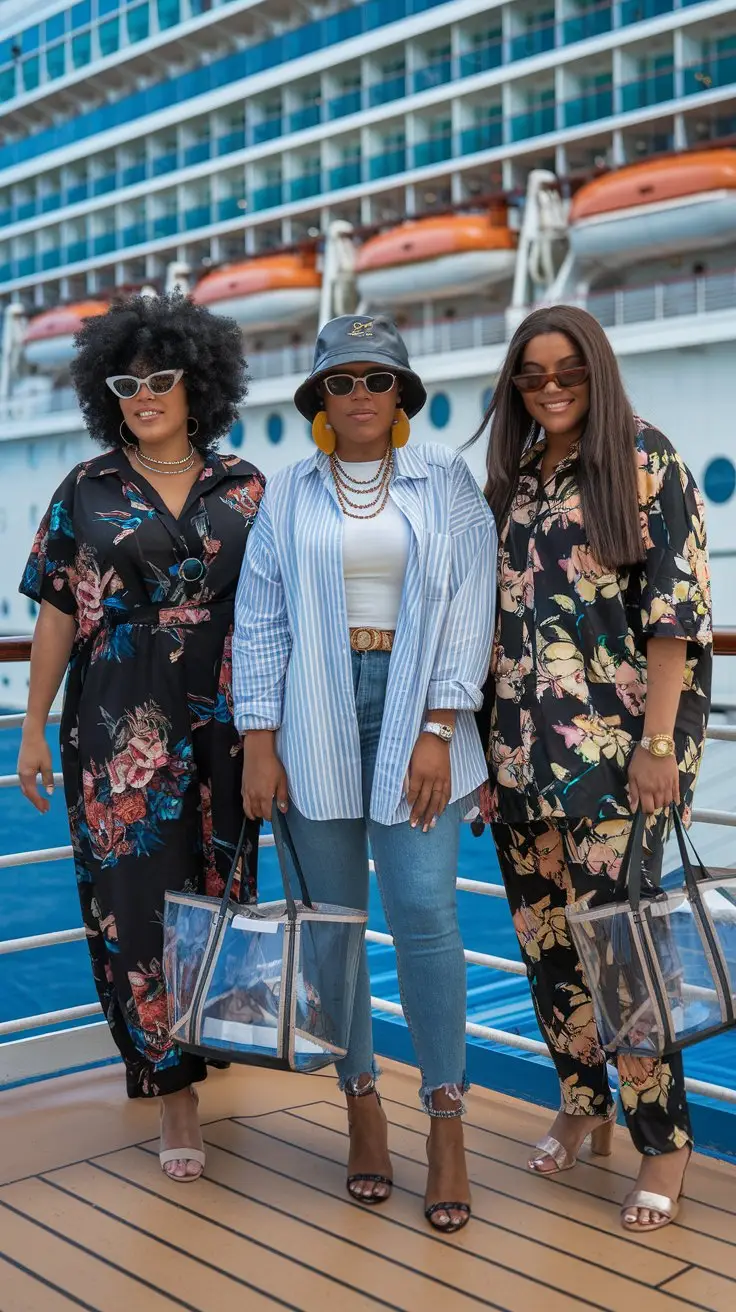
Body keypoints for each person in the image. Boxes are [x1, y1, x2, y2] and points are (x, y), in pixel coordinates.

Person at [233, 313, 496, 1234]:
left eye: (377, 379)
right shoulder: (290, 492)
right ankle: (361, 1106)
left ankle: (447, 1121)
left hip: (419, 703)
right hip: (313, 707)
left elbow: (470, 607)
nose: (359, 395)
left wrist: (440, 725)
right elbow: (260, 620)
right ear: (319, 397)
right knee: (334, 927)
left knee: (426, 914)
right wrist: (258, 738)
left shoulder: (445, 478)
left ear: (401, 394)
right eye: (340, 381)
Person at [17, 293, 264, 1183]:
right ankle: (172, 1093)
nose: (145, 395)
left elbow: (276, 613)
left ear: (199, 382)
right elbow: (57, 613)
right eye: (126, 384)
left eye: (161, 378)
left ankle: (210, 1040)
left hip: (229, 724)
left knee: (220, 887)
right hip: (121, 724)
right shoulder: (84, 489)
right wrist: (33, 727)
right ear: (106, 395)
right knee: (138, 899)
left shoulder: (247, 486)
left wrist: (276, 736)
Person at [476, 304, 711, 1232]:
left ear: (596, 370)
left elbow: (674, 615)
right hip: (519, 758)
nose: (551, 387)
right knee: (548, 949)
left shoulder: (646, 458)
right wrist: (480, 754)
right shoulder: (515, 478)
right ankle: (583, 1104)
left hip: (617, 762)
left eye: (567, 370)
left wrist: (658, 747)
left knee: (624, 957)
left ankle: (665, 1142)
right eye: (532, 375)